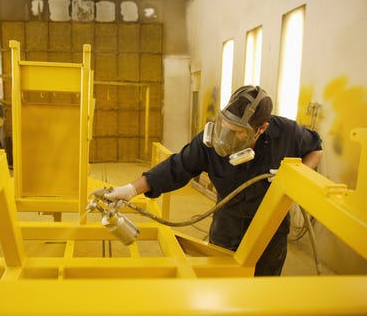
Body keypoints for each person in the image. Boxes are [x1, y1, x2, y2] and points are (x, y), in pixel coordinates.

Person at [100, 85, 323, 276]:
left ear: (261, 129)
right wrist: (130, 189)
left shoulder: (287, 133)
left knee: (263, 290)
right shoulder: (210, 142)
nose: (225, 138)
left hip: (270, 232)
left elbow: (316, 149)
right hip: (227, 227)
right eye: (224, 125)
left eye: (237, 132)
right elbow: (176, 167)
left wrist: (294, 175)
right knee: (221, 284)